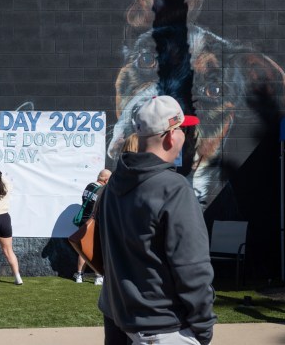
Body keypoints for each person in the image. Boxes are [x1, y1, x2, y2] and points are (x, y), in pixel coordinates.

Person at [98, 96, 216, 345]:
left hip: (120, 322)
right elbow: (192, 269)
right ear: (171, 136)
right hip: (163, 328)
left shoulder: (113, 185)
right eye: (183, 129)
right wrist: (203, 329)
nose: (186, 136)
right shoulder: (174, 189)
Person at [73, 168, 111, 285]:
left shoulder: (89, 186)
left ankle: (79, 275)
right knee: (94, 249)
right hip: (94, 222)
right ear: (106, 180)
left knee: (82, 249)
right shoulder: (103, 190)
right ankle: (98, 276)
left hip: (83, 220)